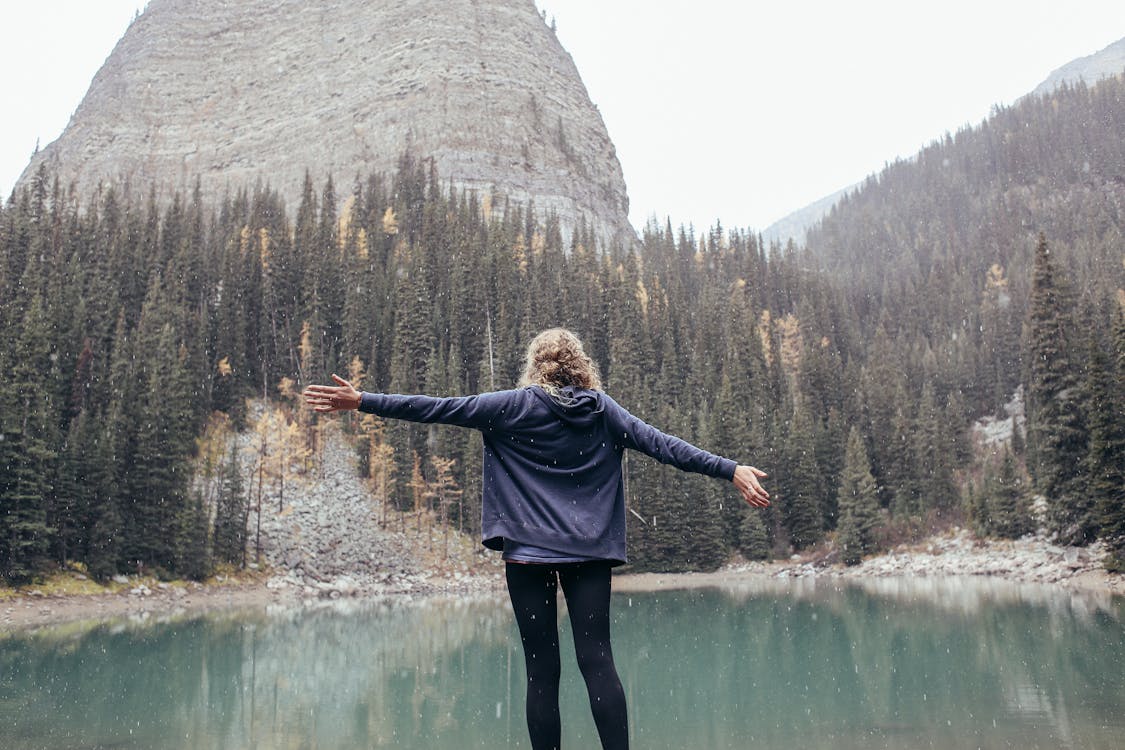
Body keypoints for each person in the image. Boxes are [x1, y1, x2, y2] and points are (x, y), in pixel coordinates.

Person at [303, 327, 769, 750]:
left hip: (528, 559)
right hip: (588, 555)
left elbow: (436, 408)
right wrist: (730, 470)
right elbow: (666, 445)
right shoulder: (603, 411)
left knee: (541, 672)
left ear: (535, 366)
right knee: (598, 662)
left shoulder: (512, 406)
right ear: (581, 367)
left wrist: (363, 400)